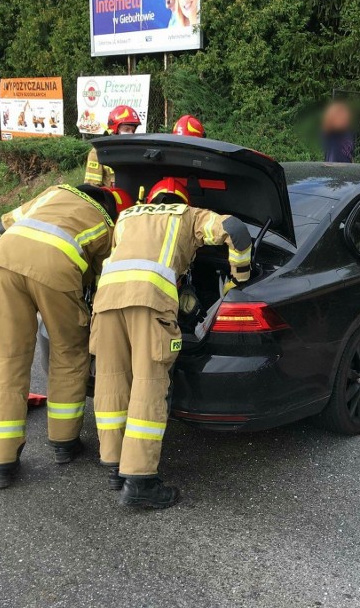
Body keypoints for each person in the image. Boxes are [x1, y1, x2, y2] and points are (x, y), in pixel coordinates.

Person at [91, 177, 252, 509]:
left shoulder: (128, 217)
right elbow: (235, 230)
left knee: (111, 380)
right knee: (149, 385)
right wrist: (240, 276)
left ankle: (115, 466)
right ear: (182, 198)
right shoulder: (188, 215)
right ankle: (140, 483)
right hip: (150, 301)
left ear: (150, 198)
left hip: (106, 301)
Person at [0, 184, 134, 489]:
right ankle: (64, 443)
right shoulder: (106, 226)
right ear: (115, 210)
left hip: (5, 259)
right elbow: (107, 282)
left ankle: (1, 460)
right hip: (56, 271)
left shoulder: (52, 192)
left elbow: (2, 224)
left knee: (6, 359)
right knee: (69, 351)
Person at [83, 105, 142, 187]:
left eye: (133, 130)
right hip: (112, 198)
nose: (131, 133)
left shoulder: (136, 150)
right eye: (127, 129)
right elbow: (92, 188)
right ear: (115, 129)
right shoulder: (98, 152)